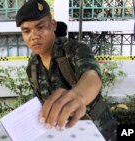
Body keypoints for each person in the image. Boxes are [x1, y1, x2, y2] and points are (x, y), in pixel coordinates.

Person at [15, 0, 116, 140]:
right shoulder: (32, 66)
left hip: (97, 131)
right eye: (26, 31)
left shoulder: (74, 49)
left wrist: (79, 96)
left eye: (40, 27)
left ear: (53, 25)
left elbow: (91, 75)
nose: (34, 36)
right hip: (63, 134)